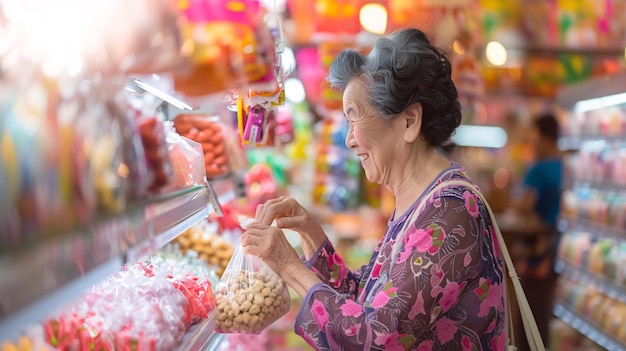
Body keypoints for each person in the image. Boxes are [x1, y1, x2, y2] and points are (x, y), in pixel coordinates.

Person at [240, 28, 506, 350]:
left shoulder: (450, 210)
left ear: (409, 122)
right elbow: (364, 302)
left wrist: (288, 266)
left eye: (355, 119)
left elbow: (374, 338)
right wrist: (312, 235)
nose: (350, 139)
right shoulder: (422, 202)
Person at [511, 113, 563, 351]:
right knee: (549, 312)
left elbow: (524, 205)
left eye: (534, 135)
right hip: (560, 248)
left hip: (536, 250)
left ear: (543, 136)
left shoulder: (538, 169)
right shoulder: (566, 166)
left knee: (529, 314)